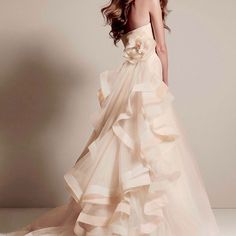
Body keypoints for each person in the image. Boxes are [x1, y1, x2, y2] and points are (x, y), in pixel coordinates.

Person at [4, 0, 220, 235]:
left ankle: (120, 212)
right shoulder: (151, 2)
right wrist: (165, 83)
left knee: (124, 142)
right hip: (147, 76)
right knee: (149, 143)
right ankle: (142, 218)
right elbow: (162, 48)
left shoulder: (125, 6)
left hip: (130, 76)